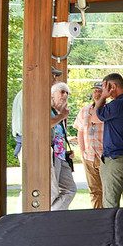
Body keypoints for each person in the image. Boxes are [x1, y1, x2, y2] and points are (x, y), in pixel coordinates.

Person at [95, 73, 123, 208]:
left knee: (110, 203)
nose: (103, 90)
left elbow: (99, 114)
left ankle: (110, 228)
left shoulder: (117, 104)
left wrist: (102, 97)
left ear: (113, 86)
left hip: (115, 160)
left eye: (105, 87)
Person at [12, 67, 62, 163]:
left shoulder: (30, 93)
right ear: (42, 77)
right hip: (33, 146)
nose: (55, 79)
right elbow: (44, 123)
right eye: (53, 76)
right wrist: (62, 115)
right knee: (40, 178)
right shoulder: (32, 94)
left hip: (35, 145)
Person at [73, 82, 105, 208]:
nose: (97, 93)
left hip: (105, 156)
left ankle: (110, 216)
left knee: (108, 191)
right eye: (95, 91)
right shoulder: (84, 110)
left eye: (100, 91)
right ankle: (97, 216)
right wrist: (82, 152)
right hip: (89, 156)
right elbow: (80, 131)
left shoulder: (109, 109)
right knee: (94, 190)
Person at [49, 82, 77, 210]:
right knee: (52, 192)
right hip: (52, 156)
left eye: (67, 93)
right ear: (52, 95)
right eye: (62, 91)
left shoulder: (57, 113)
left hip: (61, 156)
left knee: (70, 189)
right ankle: (49, 218)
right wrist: (62, 115)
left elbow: (59, 135)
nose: (65, 94)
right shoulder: (47, 110)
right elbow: (46, 124)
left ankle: (54, 215)